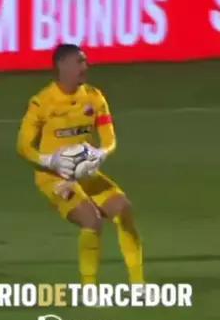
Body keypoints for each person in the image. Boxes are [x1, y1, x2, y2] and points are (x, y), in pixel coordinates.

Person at [16, 43, 144, 286]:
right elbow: (23, 145)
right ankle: (89, 287)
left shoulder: (94, 97)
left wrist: (101, 154)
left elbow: (109, 139)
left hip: (84, 172)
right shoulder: (42, 102)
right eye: (79, 61)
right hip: (53, 178)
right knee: (91, 220)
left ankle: (138, 285)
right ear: (61, 65)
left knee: (124, 210)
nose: (85, 66)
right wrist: (50, 161)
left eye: (85, 61)